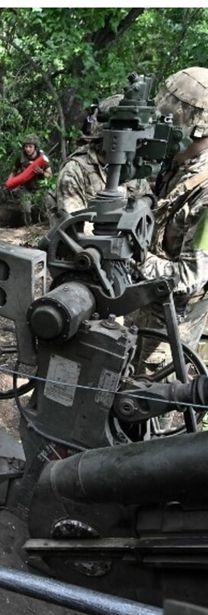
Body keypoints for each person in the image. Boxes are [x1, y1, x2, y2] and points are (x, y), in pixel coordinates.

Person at [135, 67, 208, 383]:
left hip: (172, 326)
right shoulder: (175, 166)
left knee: (148, 411)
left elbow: (191, 277)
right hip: (146, 306)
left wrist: (134, 257)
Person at [47, 96, 151, 229]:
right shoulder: (75, 170)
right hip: (85, 246)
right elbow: (77, 227)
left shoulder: (132, 169)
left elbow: (147, 215)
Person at [10, 134, 52, 227]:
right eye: (26, 146)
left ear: (35, 147)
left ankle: (44, 226)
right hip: (26, 187)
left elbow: (49, 175)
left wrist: (41, 172)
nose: (28, 149)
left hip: (40, 187)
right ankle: (27, 228)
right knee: (26, 210)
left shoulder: (42, 158)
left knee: (46, 206)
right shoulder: (21, 157)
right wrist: (10, 183)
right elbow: (13, 171)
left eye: (30, 146)